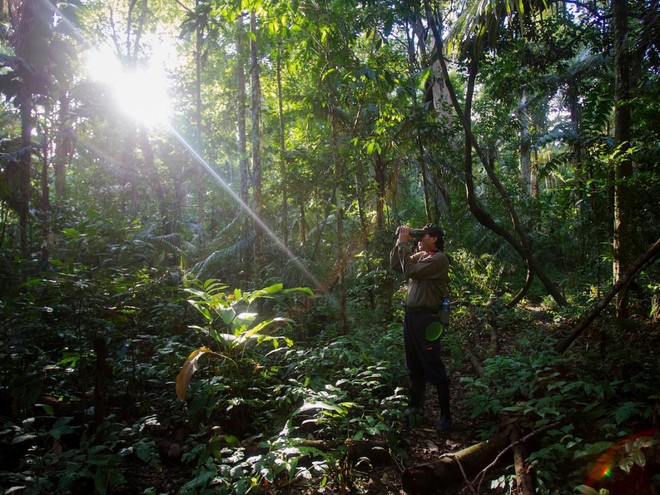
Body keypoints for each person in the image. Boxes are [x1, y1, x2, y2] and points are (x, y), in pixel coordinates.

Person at [390, 223, 452, 430]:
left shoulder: (438, 259)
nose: (419, 238)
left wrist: (405, 245)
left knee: (433, 365)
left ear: (434, 238)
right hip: (412, 318)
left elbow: (409, 271)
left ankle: (446, 416)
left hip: (428, 320)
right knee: (414, 365)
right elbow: (397, 266)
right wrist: (400, 242)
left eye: (423, 235)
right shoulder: (421, 256)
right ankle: (416, 408)